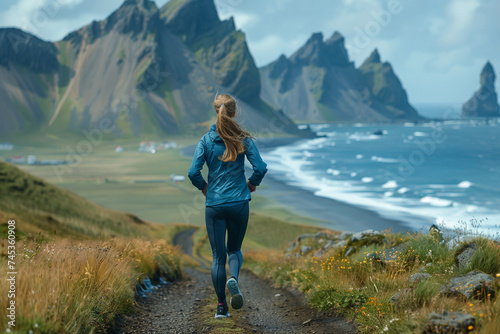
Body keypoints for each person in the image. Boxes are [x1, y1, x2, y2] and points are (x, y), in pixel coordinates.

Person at [188, 94, 268, 318]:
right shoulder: (243, 138)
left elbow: (193, 172)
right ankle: (234, 278)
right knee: (234, 249)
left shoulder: (205, 140)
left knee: (217, 257)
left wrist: (204, 188)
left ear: (217, 112)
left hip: (214, 204)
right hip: (239, 202)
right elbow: (260, 167)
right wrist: (252, 184)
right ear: (234, 113)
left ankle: (221, 307)